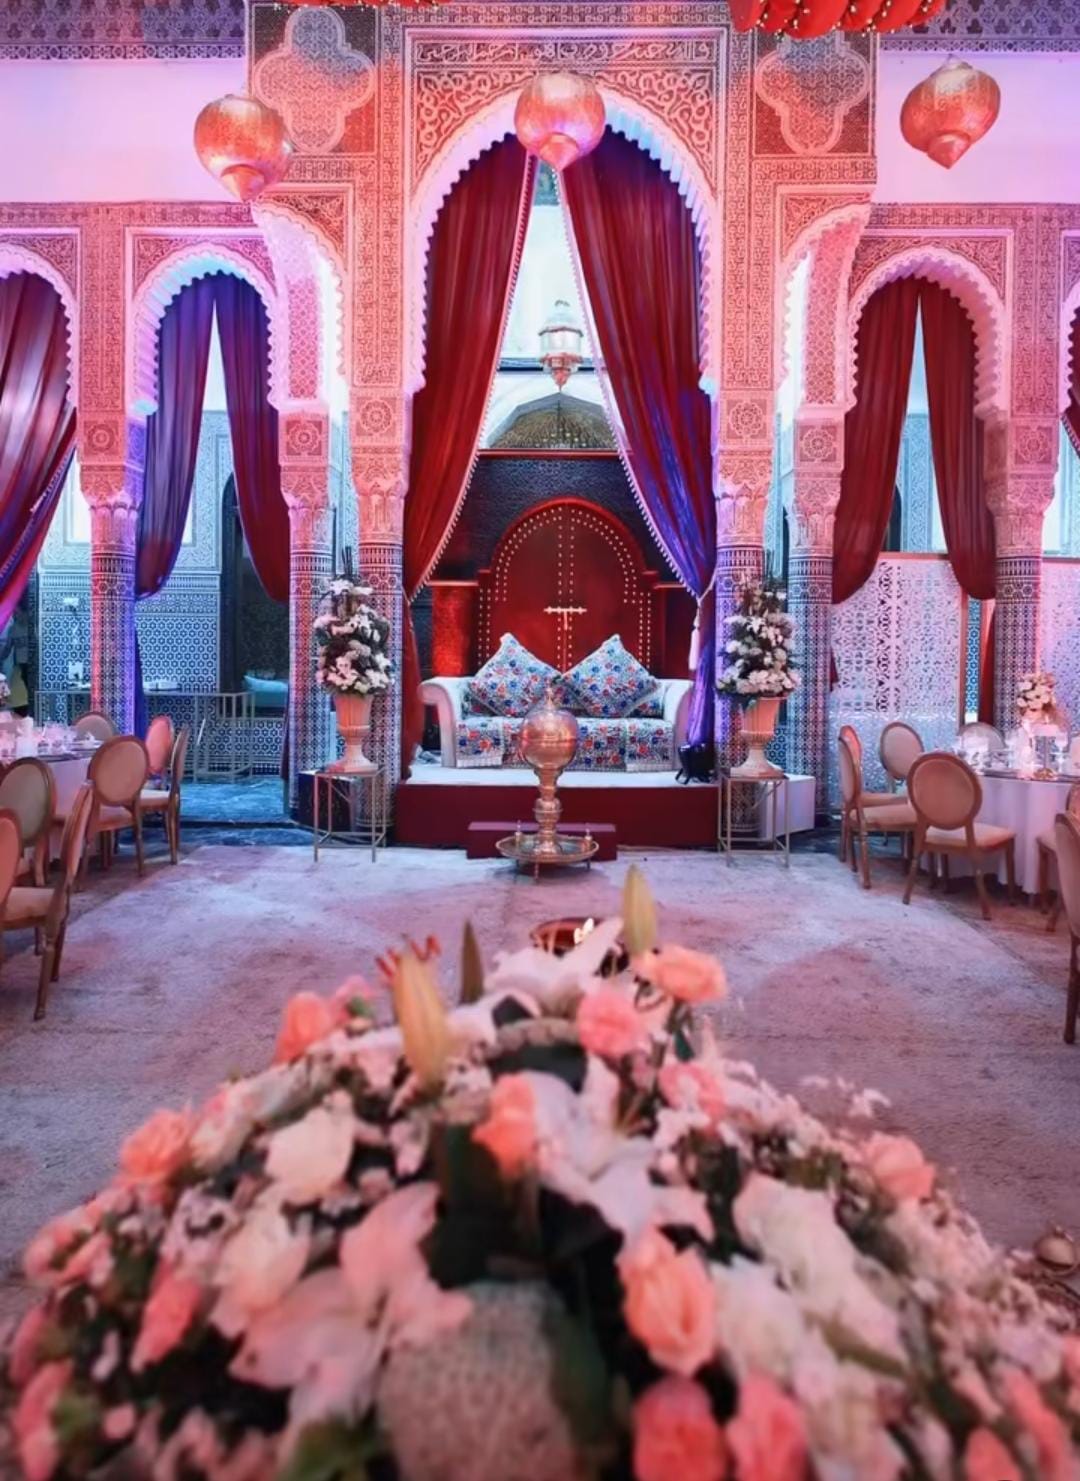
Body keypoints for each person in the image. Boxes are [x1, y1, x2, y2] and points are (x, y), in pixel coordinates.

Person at [0, 604, 31, 716]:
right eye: (14, 614)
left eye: (18, 613)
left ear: (25, 613)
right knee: (19, 690)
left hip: (32, 664)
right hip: (20, 664)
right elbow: (8, 647)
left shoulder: (32, 627)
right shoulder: (13, 629)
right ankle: (24, 713)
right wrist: (1, 659)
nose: (16, 616)